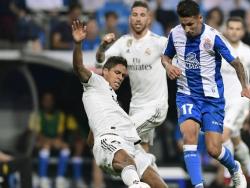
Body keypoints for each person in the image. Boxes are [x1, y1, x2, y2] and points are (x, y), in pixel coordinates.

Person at [161, 1, 250, 187]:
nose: (187, 29)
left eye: (191, 24)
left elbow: (236, 63)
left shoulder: (213, 37)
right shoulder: (175, 34)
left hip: (212, 99)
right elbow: (165, 56)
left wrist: (245, 88)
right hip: (186, 95)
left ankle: (235, 168)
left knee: (214, 149)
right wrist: (168, 65)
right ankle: (199, 185)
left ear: (200, 18)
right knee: (189, 138)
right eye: (183, 24)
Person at [71, 19, 167, 188]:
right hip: (111, 143)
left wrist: (95, 133)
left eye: (123, 76)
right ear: (105, 71)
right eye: (117, 73)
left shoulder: (112, 102)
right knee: (130, 167)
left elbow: (91, 140)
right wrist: (78, 44)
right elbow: (78, 67)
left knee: (158, 183)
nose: (120, 78)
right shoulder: (95, 83)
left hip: (128, 144)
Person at [96, 1, 168, 152]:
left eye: (142, 15)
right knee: (142, 151)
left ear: (149, 19)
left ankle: (112, 165)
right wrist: (103, 46)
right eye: (135, 15)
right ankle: (150, 174)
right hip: (136, 106)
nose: (138, 18)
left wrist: (170, 65)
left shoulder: (159, 42)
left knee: (124, 136)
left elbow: (180, 57)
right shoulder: (123, 43)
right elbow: (100, 62)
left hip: (156, 106)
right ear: (129, 19)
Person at [221, 16, 250, 183]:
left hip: (239, 101)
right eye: (231, 28)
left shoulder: (249, 51)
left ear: (243, 31)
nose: (234, 31)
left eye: (237, 28)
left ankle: (231, 173)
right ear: (226, 29)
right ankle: (249, 166)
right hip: (221, 101)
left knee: (223, 135)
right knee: (234, 137)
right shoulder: (218, 49)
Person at [29, 92, 70, 188]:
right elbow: (36, 134)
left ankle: (60, 178)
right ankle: (42, 178)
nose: (48, 102)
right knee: (45, 147)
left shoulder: (60, 115)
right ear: (42, 102)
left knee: (65, 148)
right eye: (46, 100)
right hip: (38, 142)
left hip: (53, 141)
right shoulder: (36, 114)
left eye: (50, 100)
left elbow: (60, 134)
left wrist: (55, 142)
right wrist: (49, 142)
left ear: (53, 102)